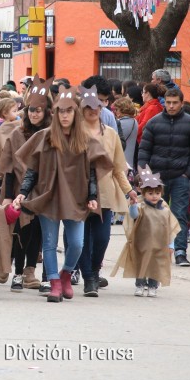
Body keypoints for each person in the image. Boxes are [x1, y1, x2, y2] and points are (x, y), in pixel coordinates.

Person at [12, 85, 113, 303]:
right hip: (48, 195)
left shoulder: (85, 140)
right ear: (55, 113)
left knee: (77, 243)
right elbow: (32, 170)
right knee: (48, 242)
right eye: (61, 111)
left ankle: (66, 274)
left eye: (69, 111)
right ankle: (55, 282)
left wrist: (93, 196)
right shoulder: (44, 137)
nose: (65, 115)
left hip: (77, 198)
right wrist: (23, 193)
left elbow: (93, 173)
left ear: (75, 113)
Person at [76, 85, 137, 297]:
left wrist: (129, 190)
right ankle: (88, 278)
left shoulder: (110, 134)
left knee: (102, 238)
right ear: (82, 109)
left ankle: (94, 269)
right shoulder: (75, 132)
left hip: (106, 192)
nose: (94, 111)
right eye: (89, 108)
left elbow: (118, 166)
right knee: (82, 238)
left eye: (98, 107)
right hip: (79, 192)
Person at [136, 87, 190, 267]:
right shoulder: (154, 122)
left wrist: (188, 172)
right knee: (155, 215)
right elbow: (144, 150)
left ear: (181, 103)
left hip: (180, 175)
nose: (171, 106)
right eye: (168, 103)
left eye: (175, 103)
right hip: (156, 178)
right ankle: (157, 250)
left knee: (179, 214)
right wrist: (145, 174)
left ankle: (180, 251)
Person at [0, 76, 51, 294]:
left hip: (45, 191)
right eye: (31, 110)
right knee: (21, 231)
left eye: (38, 110)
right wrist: (10, 195)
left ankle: (31, 271)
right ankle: (17, 272)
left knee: (39, 233)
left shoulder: (51, 134)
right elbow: (9, 167)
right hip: (21, 189)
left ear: (45, 112)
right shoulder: (16, 134)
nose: (34, 114)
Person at [110, 166, 179, 297]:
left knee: (155, 264)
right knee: (141, 263)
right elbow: (134, 216)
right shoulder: (141, 205)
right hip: (142, 242)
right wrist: (133, 205)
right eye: (150, 193)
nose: (154, 196)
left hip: (159, 243)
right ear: (143, 192)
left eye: (157, 193)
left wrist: (171, 245)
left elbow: (170, 226)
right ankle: (140, 284)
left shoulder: (164, 207)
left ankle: (153, 286)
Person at [112, 96, 139, 170]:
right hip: (130, 161)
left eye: (116, 109)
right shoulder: (134, 121)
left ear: (122, 109)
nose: (115, 112)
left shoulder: (120, 123)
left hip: (120, 162)